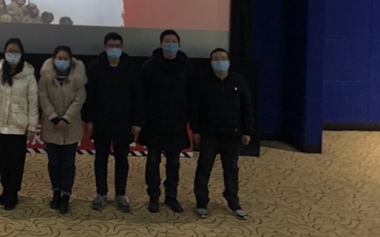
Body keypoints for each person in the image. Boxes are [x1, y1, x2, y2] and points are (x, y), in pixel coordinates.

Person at [82, 32, 143, 212]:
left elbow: (138, 95)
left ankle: (120, 195)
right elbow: (89, 96)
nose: (114, 49)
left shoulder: (131, 67)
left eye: (117, 46)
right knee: (100, 159)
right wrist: (88, 119)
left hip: (124, 121)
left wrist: (137, 121)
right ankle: (101, 193)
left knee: (122, 160)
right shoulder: (94, 67)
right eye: (111, 46)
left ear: (122, 47)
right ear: (104, 47)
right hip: (101, 121)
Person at [191, 48, 253, 220]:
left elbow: (247, 107)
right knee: (204, 168)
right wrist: (196, 129)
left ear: (229, 62)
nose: (220, 61)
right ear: (211, 62)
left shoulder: (239, 81)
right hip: (209, 134)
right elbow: (195, 107)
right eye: (216, 59)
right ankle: (201, 201)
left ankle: (233, 201)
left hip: (232, 135)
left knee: (231, 169)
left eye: (223, 58)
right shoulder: (201, 81)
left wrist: (247, 131)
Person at [139, 29, 193, 213]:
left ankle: (171, 197)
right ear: (161, 44)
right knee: (153, 162)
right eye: (167, 41)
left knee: (174, 163)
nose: (171, 44)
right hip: (154, 122)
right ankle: (153, 197)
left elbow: (192, 94)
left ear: (179, 45)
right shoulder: (149, 66)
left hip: (176, 122)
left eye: (174, 41)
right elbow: (141, 94)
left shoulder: (186, 66)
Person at [0, 38, 39, 210]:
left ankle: (13, 193)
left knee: (16, 163)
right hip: (0, 124)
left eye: (16, 51)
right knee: (3, 162)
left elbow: (33, 103)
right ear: (4, 52)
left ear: (21, 54)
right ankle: (5, 189)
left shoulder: (28, 76)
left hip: (19, 127)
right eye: (9, 51)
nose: (12, 54)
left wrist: (32, 127)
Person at [38, 45, 87, 214]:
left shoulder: (78, 78)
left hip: (71, 127)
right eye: (59, 58)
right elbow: (42, 97)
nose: (62, 61)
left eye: (66, 58)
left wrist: (65, 119)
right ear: (53, 59)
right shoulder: (45, 77)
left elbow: (79, 100)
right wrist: (54, 118)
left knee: (68, 164)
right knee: (53, 163)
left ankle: (66, 196)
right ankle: (56, 193)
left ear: (71, 60)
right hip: (51, 126)